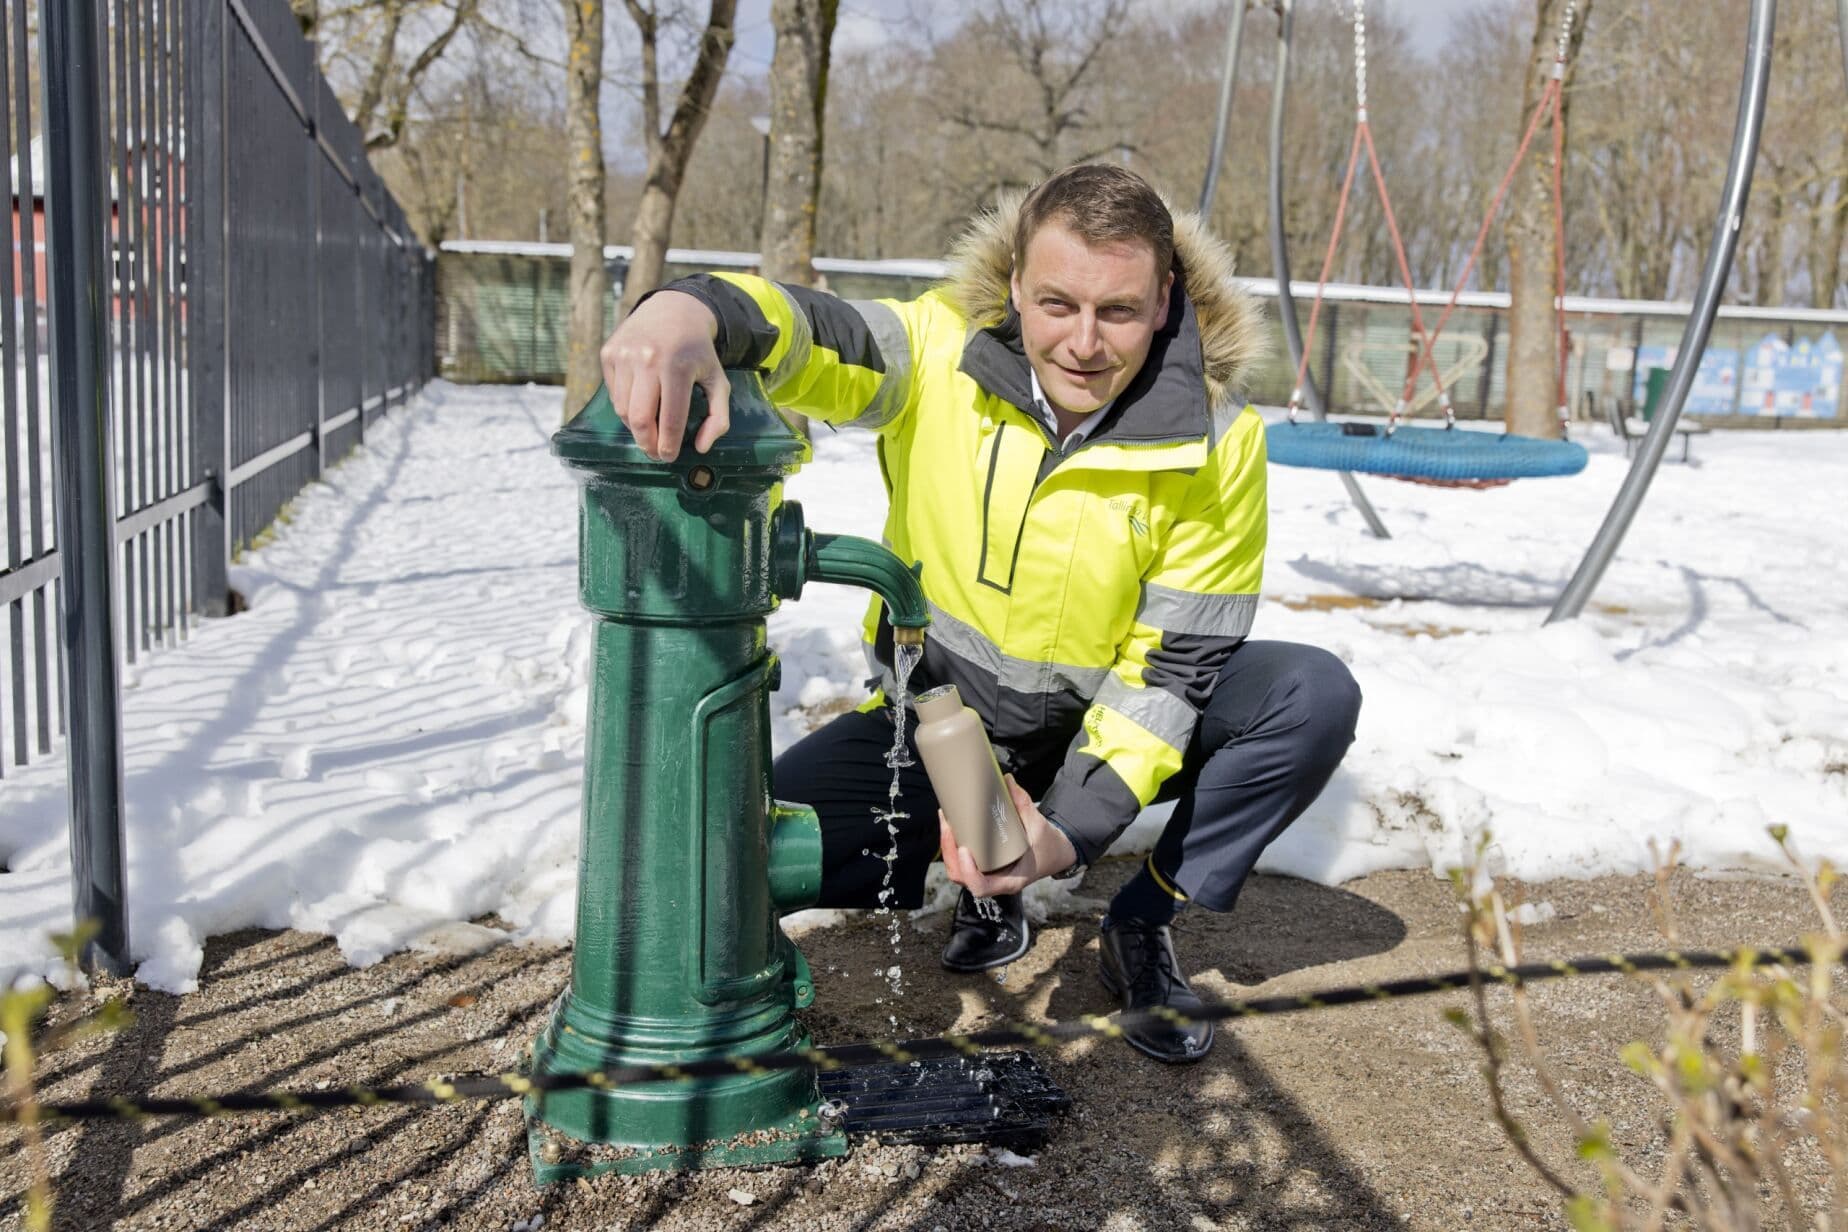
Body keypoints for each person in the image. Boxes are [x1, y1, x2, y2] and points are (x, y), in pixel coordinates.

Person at [599, 164, 1362, 1064]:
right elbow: (813, 331)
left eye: (1116, 310)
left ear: (1164, 302)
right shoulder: (936, 352)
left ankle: (1143, 919)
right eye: (1055, 304)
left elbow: (1172, 666)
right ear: (1013, 288)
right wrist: (689, 309)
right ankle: (984, 880)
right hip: (943, 726)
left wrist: (1066, 830)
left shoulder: (1219, 437)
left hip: (1102, 724)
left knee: (1311, 694)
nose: (1082, 343)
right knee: (743, 846)